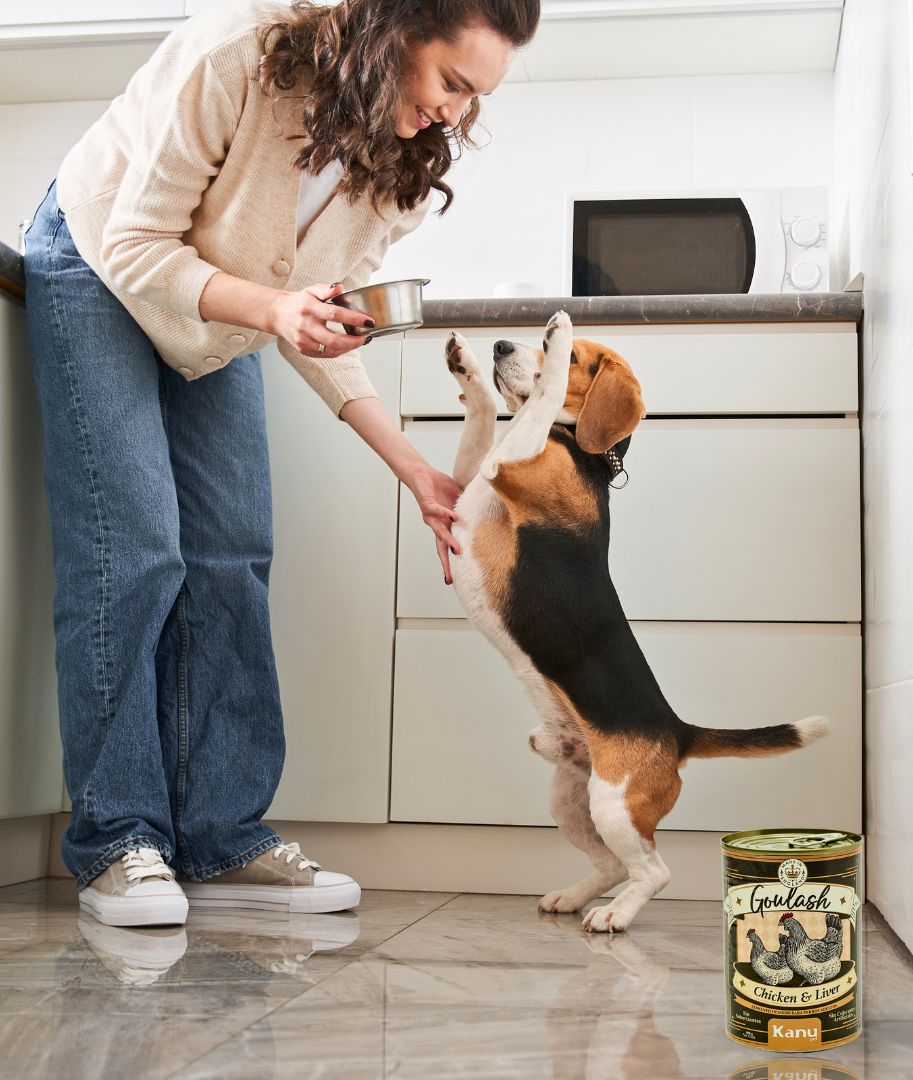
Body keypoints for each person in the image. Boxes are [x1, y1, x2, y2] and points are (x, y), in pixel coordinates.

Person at [21, 0, 539, 928]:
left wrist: (415, 470)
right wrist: (272, 311)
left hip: (215, 313)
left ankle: (220, 837)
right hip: (99, 261)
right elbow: (140, 245)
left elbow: (323, 326)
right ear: (393, 31)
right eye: (451, 83)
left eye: (476, 98)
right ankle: (118, 841)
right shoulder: (242, 52)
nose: (455, 114)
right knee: (134, 550)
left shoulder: (404, 168)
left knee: (234, 554)